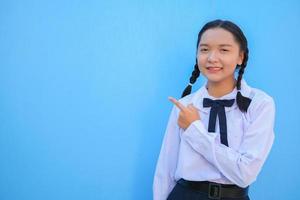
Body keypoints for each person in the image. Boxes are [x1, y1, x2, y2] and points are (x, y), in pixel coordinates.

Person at [153, 19, 275, 200]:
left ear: (241, 57)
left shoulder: (259, 104)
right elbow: (166, 170)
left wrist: (195, 129)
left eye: (224, 50)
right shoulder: (185, 105)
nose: (212, 58)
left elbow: (245, 173)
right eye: (204, 49)